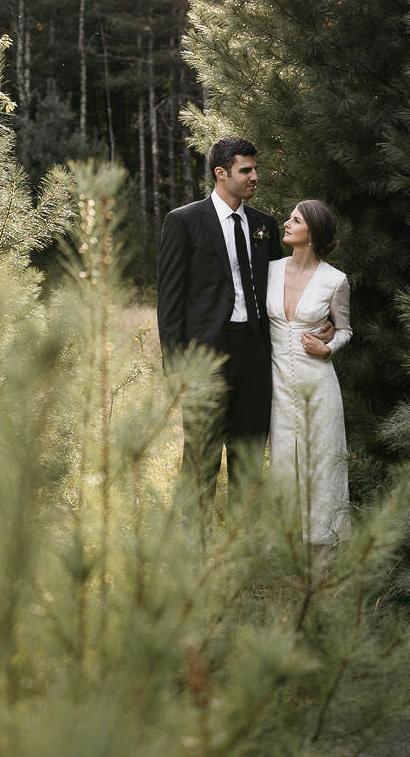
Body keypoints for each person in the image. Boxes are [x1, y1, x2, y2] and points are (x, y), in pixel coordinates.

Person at [156, 136, 279, 499]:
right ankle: (193, 549)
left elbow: (276, 289)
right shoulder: (184, 221)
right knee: (200, 457)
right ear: (221, 173)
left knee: (250, 456)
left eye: (255, 168)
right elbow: (169, 301)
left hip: (255, 354)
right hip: (206, 356)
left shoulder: (265, 225)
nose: (255, 176)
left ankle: (243, 545)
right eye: (246, 170)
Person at [267, 198, 352, 545]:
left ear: (312, 234)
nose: (286, 223)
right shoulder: (269, 269)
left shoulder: (335, 280)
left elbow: (345, 328)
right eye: (289, 217)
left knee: (322, 462)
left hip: (318, 384)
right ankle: (284, 541)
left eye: (296, 220)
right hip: (278, 385)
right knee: (284, 462)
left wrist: (329, 346)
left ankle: (324, 542)